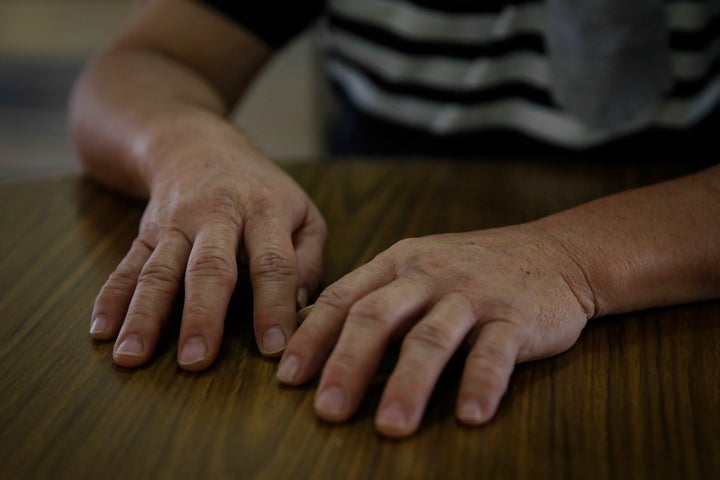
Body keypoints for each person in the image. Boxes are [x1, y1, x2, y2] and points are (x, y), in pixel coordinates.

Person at [70, 0, 720, 438]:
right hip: (373, 263)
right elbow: (143, 63)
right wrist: (192, 154)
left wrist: (570, 258)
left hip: (670, 286)